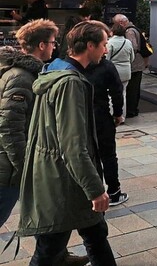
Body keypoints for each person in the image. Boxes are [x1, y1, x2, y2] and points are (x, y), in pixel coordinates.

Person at [19, 20, 116, 265]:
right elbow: (72, 145)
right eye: (104, 45)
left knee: (95, 235)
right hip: (62, 183)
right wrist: (95, 189)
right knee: (49, 250)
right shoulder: (70, 83)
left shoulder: (53, 70)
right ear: (90, 46)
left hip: (58, 176)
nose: (106, 50)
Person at [0, 20, 54, 227]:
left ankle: (55, 255)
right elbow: (9, 128)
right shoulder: (21, 77)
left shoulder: (25, 72)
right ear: (41, 45)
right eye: (52, 42)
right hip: (8, 170)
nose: (54, 46)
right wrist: (25, 168)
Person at [85, 49, 128, 206]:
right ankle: (114, 192)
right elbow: (117, 92)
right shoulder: (106, 66)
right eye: (103, 44)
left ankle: (89, 192)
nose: (106, 49)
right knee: (108, 155)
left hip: (79, 117)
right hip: (101, 116)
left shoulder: (71, 66)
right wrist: (118, 114)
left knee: (85, 155)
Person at [113, 14, 147, 120]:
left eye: (116, 24)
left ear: (121, 23)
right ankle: (133, 109)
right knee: (135, 88)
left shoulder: (129, 31)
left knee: (131, 89)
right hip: (137, 64)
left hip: (134, 65)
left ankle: (131, 111)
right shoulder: (134, 29)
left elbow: (133, 47)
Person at [106, 23, 135, 123]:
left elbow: (107, 58)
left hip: (113, 71)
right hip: (126, 71)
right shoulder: (128, 42)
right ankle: (122, 116)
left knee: (111, 95)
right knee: (123, 93)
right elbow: (132, 58)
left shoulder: (110, 42)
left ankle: (112, 115)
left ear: (113, 31)